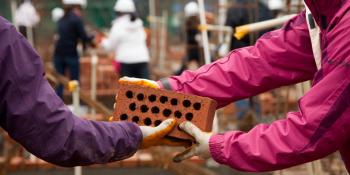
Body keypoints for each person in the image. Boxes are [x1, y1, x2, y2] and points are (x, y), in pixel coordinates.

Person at [120, 0, 350, 172]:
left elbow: (313, 130)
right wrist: (168, 89)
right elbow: (258, 62)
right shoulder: (326, 12)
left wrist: (219, 146)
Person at [0, 15, 186, 167]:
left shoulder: (10, 36)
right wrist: (133, 134)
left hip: (104, 57)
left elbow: (52, 130)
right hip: (140, 60)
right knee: (141, 95)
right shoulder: (4, 37)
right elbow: (56, 132)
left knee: (126, 94)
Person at [53, 0, 94, 99]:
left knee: (60, 82)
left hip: (58, 54)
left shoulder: (62, 18)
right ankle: (75, 103)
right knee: (74, 82)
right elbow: (83, 36)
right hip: (71, 54)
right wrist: (92, 38)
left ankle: (58, 106)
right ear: (77, 7)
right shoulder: (76, 19)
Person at [101, 0, 150, 79]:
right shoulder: (138, 23)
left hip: (126, 62)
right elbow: (144, 37)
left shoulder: (117, 25)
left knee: (128, 89)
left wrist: (103, 42)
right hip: (142, 60)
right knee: (145, 89)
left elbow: (111, 46)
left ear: (118, 11)